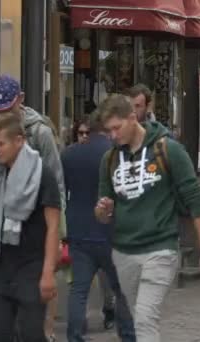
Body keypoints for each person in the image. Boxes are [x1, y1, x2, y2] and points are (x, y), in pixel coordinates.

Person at [94, 95, 200, 341]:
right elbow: (103, 212)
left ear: (132, 118)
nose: (113, 136)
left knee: (145, 317)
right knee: (138, 317)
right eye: (109, 131)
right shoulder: (110, 159)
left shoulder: (168, 149)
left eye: (117, 128)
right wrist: (103, 210)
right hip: (124, 251)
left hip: (160, 247)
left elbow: (195, 201)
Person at [0, 75, 65, 341]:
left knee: (31, 330)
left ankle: (47, 333)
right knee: (1, 330)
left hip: (32, 247)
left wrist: (57, 249)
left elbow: (56, 187)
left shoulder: (39, 133)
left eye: (5, 109)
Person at [63, 111, 135, 342]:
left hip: (79, 231)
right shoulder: (117, 155)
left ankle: (74, 335)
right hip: (111, 232)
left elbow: (62, 190)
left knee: (79, 290)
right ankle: (127, 335)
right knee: (120, 289)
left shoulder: (69, 155)